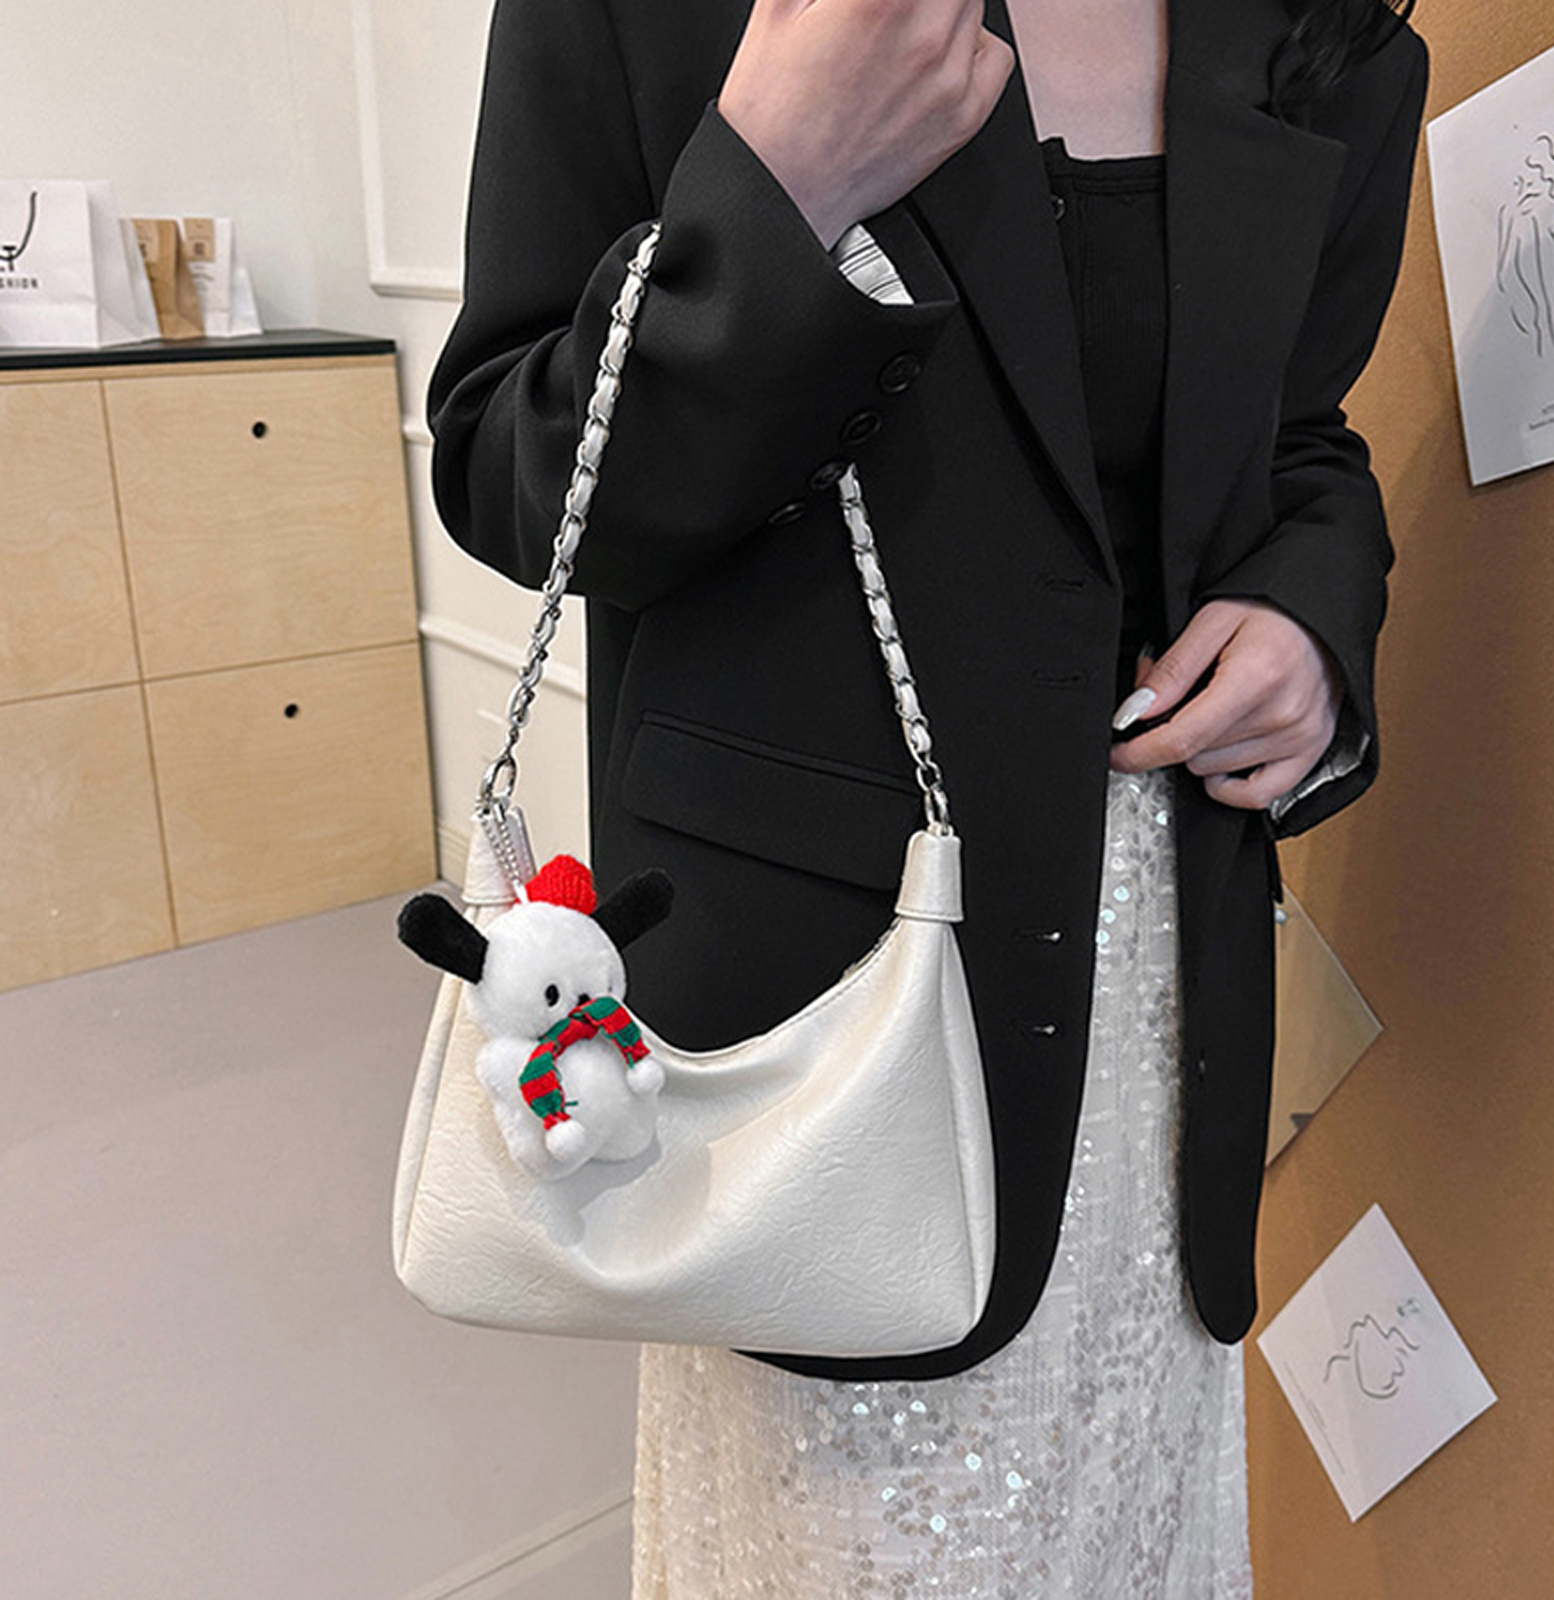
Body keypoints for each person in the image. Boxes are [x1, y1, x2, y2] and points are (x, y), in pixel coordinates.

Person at [428, 0, 1427, 1590]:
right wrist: (777, 197)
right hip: (821, 1006)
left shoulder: (1331, 35)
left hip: (1159, 1001)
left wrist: (1313, 613)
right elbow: (517, 472)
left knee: (1134, 1522)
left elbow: (1294, 437)